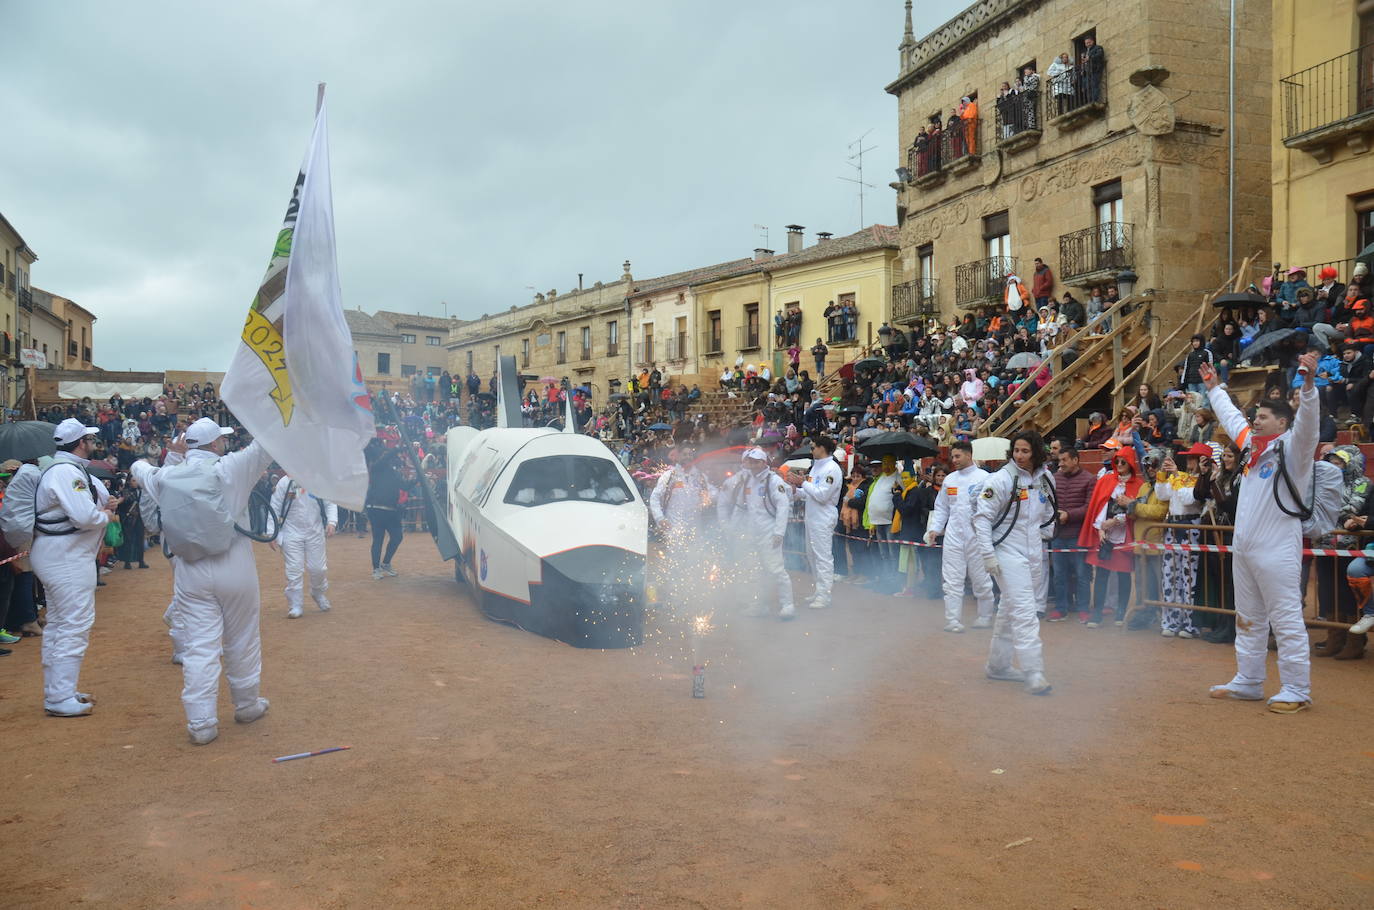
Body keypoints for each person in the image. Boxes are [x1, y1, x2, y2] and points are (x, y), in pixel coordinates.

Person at [131, 417, 274, 744]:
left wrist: (172, 454)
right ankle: (247, 704)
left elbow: (139, 468)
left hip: (190, 570)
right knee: (242, 639)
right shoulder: (231, 467)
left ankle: (201, 723)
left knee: (199, 647)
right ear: (215, 444)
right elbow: (265, 445)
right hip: (234, 564)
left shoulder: (165, 476)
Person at [1202, 351, 1319, 713]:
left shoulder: (1295, 450)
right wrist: (1213, 388)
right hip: (1246, 548)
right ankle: (1249, 680)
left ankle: (1297, 688)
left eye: (1263, 416)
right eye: (1256, 416)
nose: (1255, 420)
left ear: (1282, 423)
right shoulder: (1253, 448)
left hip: (1277, 550)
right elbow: (1231, 415)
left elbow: (1310, 424)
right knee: (1248, 617)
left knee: (1284, 619)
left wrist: (1310, 385)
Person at [31, 419, 118, 717]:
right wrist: (105, 516)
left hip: (60, 556)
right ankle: (59, 697)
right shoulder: (67, 472)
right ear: (81, 443)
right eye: (89, 439)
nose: (93, 443)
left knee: (59, 624)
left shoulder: (66, 469)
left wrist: (104, 507)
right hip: (65, 559)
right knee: (73, 624)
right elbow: (84, 516)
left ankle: (59, 690)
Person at [974, 430, 1053, 695]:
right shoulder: (1001, 479)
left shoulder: (1045, 478)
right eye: (1016, 451)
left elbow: (1049, 511)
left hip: (1033, 552)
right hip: (1006, 551)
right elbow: (982, 518)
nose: (1020, 456)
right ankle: (1034, 671)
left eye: (1025, 451)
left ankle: (998, 666)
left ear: (1037, 453)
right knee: (1024, 611)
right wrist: (987, 554)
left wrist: (1046, 533)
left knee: (1010, 610)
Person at [923, 440, 995, 632]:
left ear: (969, 455)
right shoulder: (950, 480)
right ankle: (953, 620)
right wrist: (935, 529)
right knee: (952, 580)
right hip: (954, 536)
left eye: (957, 456)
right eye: (952, 456)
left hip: (977, 536)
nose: (954, 460)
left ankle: (985, 616)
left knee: (981, 580)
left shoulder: (985, 478)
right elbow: (942, 508)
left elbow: (994, 508)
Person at [717, 447, 794, 619]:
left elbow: (783, 506)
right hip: (751, 533)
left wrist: (779, 533)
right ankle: (759, 605)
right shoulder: (747, 480)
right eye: (750, 461)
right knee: (754, 571)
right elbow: (739, 505)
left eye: (755, 461)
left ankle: (787, 605)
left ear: (763, 462)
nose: (752, 465)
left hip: (769, 533)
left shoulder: (773, 481)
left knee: (776, 570)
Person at [1079, 447, 1151, 627]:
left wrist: (1117, 521)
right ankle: (1096, 614)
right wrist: (1100, 528)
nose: (1119, 465)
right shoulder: (1105, 480)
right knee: (1101, 573)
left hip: (1124, 534)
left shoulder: (1139, 484)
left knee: (1123, 574)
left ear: (1130, 464)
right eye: (1117, 461)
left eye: (1123, 462)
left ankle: (1120, 613)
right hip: (1104, 535)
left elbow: (1136, 510)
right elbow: (1098, 505)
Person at [269, 475, 338, 619]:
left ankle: (317, 592)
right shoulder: (284, 483)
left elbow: (330, 502)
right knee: (294, 570)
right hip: (291, 532)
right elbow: (274, 507)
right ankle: (295, 604)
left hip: (314, 531)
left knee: (318, 568)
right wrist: (271, 532)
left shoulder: (318, 480)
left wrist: (332, 521)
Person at [790, 436, 844, 610]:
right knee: (812, 555)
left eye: (813, 448)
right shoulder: (815, 468)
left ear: (823, 448)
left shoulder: (832, 469)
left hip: (823, 516)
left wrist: (803, 483)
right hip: (812, 516)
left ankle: (824, 595)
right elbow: (809, 494)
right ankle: (819, 590)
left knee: (822, 557)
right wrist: (796, 491)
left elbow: (822, 495)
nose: (811, 450)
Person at [1048, 446, 1094, 621]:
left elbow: (1089, 507)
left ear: (1075, 460)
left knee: (1082, 574)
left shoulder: (1089, 479)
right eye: (1059, 461)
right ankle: (1061, 607)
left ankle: (1083, 608)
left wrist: (1069, 515)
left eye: (1064, 460)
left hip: (1078, 535)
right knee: (1059, 575)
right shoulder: (1054, 478)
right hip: (1058, 535)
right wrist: (1055, 514)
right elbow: (1048, 502)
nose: (1061, 464)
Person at [364, 443, 417, 580]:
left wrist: (418, 479)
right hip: (376, 509)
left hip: (391, 510)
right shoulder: (376, 467)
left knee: (397, 537)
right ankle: (376, 569)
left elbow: (405, 486)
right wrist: (398, 448)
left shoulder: (394, 473)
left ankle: (386, 563)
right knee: (378, 539)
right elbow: (385, 458)